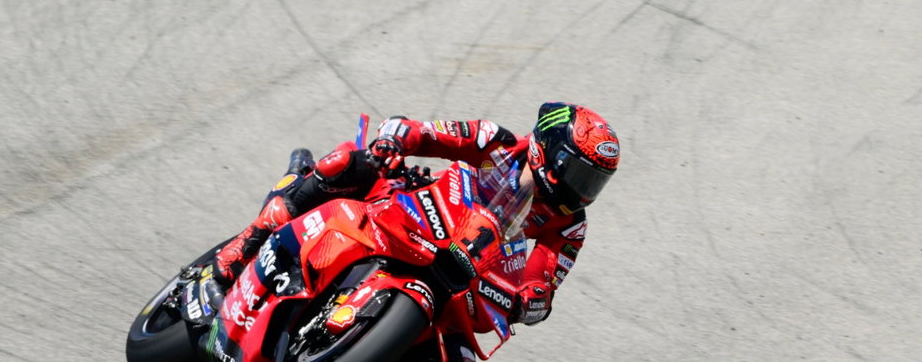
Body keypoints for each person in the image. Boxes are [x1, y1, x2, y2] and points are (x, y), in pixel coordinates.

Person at [211, 103, 619, 328]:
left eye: (594, 183)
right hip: (420, 213)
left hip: (469, 270)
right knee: (346, 163)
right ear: (547, 150)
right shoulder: (495, 142)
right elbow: (425, 132)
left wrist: (533, 301)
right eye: (580, 175)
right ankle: (244, 246)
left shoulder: (570, 225)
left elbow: (542, 280)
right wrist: (395, 139)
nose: (583, 191)